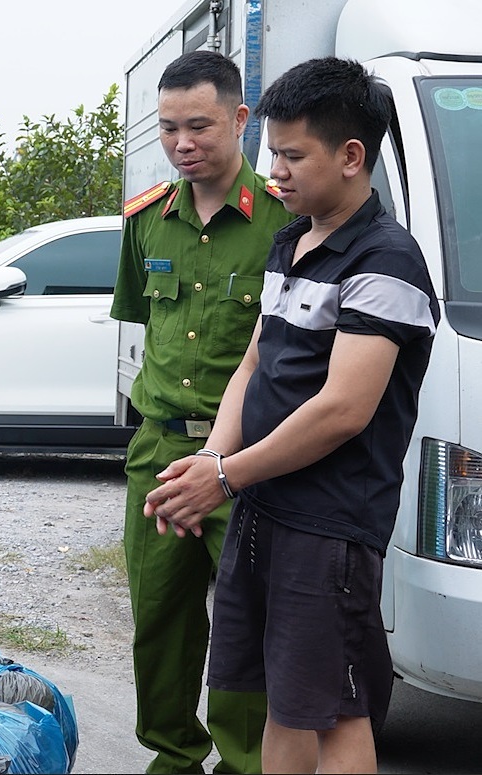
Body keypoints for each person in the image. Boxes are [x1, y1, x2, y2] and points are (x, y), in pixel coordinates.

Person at [143, 57, 439, 773]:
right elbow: (254, 364)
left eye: (292, 154)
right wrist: (209, 462)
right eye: (271, 151)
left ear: (350, 157)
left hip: (328, 525)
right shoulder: (292, 241)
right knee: (282, 698)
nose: (274, 168)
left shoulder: (385, 260)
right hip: (265, 510)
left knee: (336, 710)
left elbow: (342, 409)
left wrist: (226, 475)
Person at [111, 50, 294, 773]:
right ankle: (174, 753)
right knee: (160, 616)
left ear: (241, 120)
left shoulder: (284, 221)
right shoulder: (146, 222)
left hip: (247, 459)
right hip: (159, 451)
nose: (182, 143)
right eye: (168, 129)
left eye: (199, 126)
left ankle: (246, 758)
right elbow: (142, 335)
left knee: (250, 623)